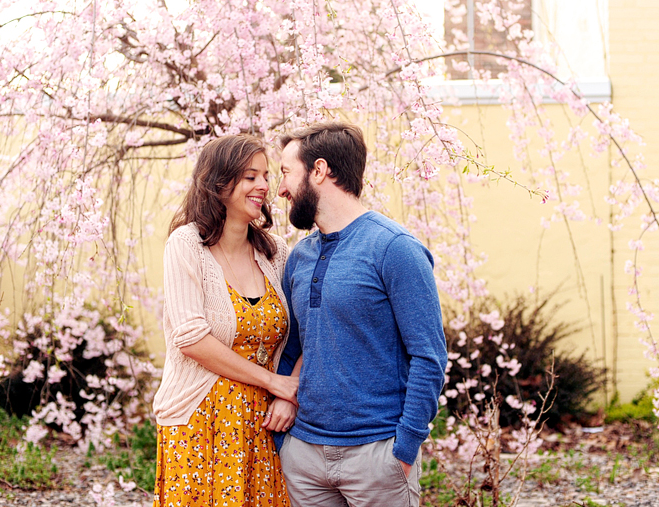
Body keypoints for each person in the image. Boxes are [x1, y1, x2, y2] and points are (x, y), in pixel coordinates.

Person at [274, 122, 448, 507]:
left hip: (377, 456)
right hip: (304, 457)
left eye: (286, 173)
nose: (281, 189)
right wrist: (284, 438)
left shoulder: (394, 248)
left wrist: (404, 448)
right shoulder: (300, 257)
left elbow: (429, 355)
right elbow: (294, 346)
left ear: (319, 171)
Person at [151, 134, 298, 507]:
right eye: (250, 177)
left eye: (265, 176)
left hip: (262, 425)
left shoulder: (276, 252)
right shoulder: (186, 245)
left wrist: (290, 394)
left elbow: (307, 331)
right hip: (199, 421)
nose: (263, 186)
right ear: (219, 183)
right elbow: (191, 338)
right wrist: (273, 382)